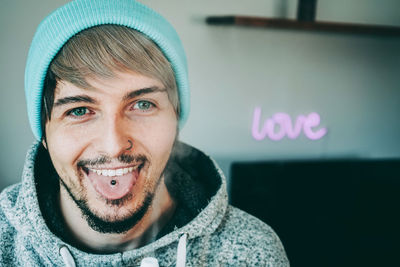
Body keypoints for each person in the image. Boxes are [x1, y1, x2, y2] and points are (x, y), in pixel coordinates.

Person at [0, 0, 289, 266]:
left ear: (176, 117)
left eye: (141, 104)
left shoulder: (253, 251)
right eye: (79, 110)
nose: (113, 145)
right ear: (44, 134)